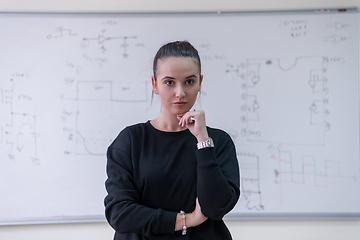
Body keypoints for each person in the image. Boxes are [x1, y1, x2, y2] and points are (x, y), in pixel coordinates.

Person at [104, 40, 240, 240]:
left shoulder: (218, 141)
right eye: (169, 82)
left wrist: (203, 140)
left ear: (200, 82)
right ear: (155, 84)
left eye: (189, 81)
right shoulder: (131, 141)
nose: (180, 93)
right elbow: (120, 214)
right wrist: (189, 220)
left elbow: (216, 207)